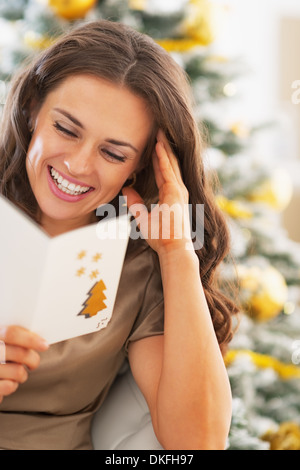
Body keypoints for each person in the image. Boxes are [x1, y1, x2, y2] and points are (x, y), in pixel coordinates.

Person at [0, 19, 238, 450]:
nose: (77, 164)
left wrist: (178, 253)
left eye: (113, 152)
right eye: (66, 129)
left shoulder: (137, 267)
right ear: (33, 107)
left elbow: (197, 444)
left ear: (142, 164)